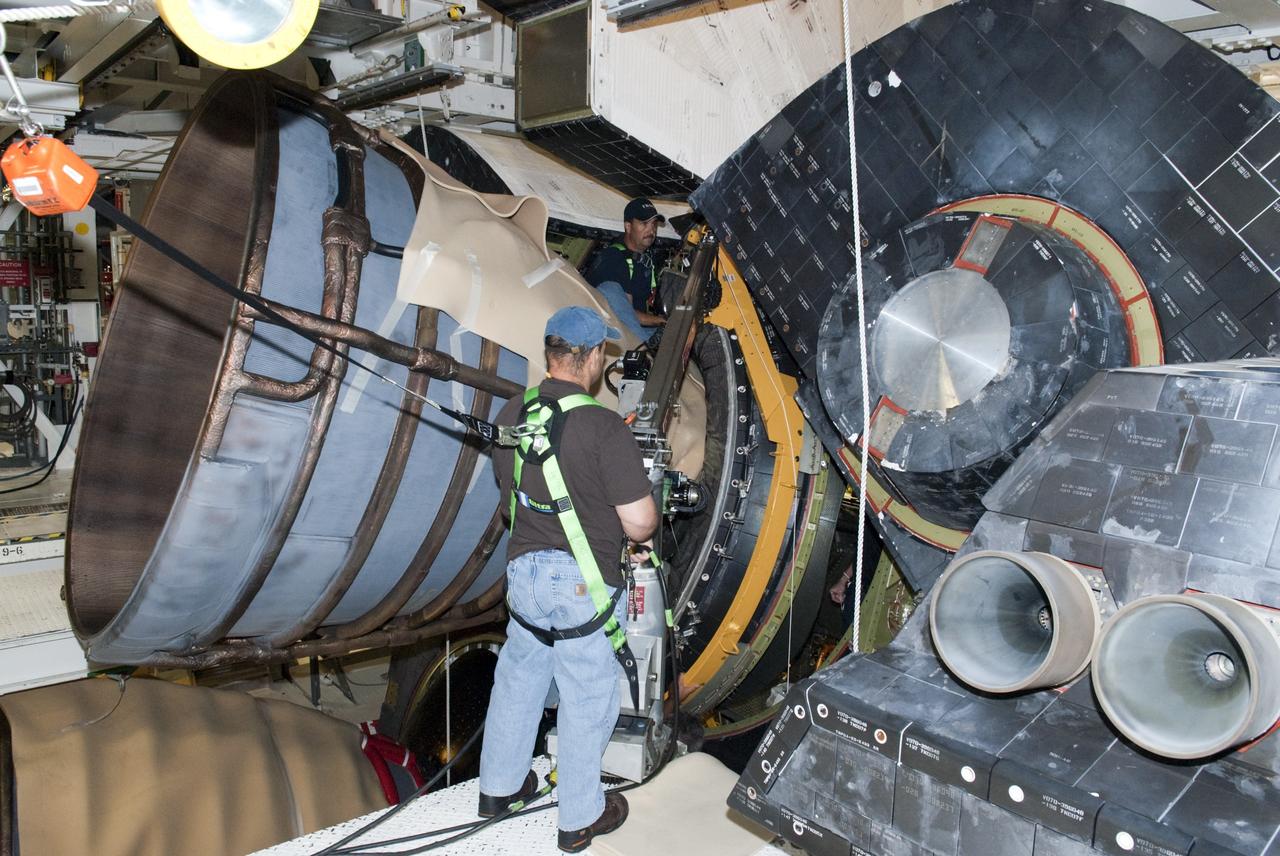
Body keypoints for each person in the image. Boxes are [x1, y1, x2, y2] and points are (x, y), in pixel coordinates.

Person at [477, 305, 658, 853]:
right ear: (594, 357)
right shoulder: (603, 426)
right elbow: (640, 523)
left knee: (519, 676)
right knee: (586, 692)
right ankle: (580, 817)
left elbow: (508, 497)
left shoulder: (513, 412)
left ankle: (498, 790)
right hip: (583, 583)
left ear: (551, 352)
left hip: (523, 577)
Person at [585, 197, 667, 339]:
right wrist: (663, 321)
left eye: (654, 224)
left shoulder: (645, 259)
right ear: (628, 227)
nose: (651, 230)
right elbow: (627, 315)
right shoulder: (613, 258)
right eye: (644, 223)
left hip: (637, 329)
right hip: (614, 331)